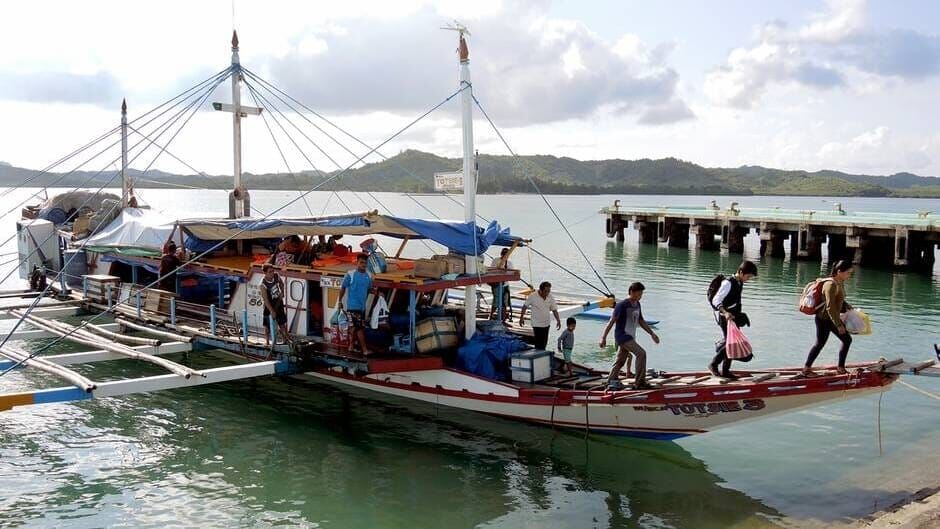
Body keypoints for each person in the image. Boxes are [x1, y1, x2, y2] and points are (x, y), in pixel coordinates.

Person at [599, 282, 660, 390]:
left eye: (641, 294)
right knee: (641, 353)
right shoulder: (622, 305)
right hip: (622, 336)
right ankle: (640, 382)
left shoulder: (637, 304)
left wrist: (652, 334)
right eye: (638, 294)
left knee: (621, 361)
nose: (640, 296)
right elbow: (611, 321)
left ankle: (610, 380)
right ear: (631, 292)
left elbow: (641, 321)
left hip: (630, 336)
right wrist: (603, 337)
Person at [803, 260, 854, 376]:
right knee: (824, 343)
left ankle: (839, 368)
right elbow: (830, 306)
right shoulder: (830, 285)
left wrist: (846, 305)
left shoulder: (839, 282)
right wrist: (839, 325)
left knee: (844, 340)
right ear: (839, 271)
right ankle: (807, 369)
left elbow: (838, 299)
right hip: (824, 319)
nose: (849, 275)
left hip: (831, 318)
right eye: (848, 273)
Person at [708, 260, 758, 379]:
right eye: (748, 276)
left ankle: (725, 371)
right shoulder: (728, 283)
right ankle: (713, 364)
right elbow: (716, 300)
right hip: (725, 317)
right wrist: (725, 313)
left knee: (731, 343)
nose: (748, 279)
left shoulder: (739, 282)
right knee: (731, 343)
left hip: (733, 317)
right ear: (741, 272)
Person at [338, 253, 374, 355]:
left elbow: (370, 289)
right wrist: (340, 301)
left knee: (354, 327)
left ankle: (351, 346)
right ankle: (365, 350)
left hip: (362, 306)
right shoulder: (350, 274)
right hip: (353, 306)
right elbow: (343, 287)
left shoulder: (369, 275)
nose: (363, 265)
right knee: (359, 328)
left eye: (365, 263)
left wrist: (378, 293)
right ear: (357, 263)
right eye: (361, 262)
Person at [519, 281, 560, 350]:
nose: (547, 293)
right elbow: (525, 306)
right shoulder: (533, 296)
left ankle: (542, 355)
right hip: (536, 324)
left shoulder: (550, 296)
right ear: (540, 290)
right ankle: (538, 356)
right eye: (546, 291)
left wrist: (558, 320)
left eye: (549, 291)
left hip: (546, 323)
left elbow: (554, 309)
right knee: (538, 343)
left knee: (544, 343)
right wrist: (521, 318)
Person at [260, 263, 291, 348]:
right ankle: (267, 342)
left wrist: (282, 292)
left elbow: (281, 283)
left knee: (282, 322)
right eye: (270, 272)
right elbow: (265, 300)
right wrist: (272, 310)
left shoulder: (276, 276)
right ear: (265, 273)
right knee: (267, 325)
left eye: (273, 271)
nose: (272, 273)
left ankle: (285, 340)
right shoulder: (263, 284)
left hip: (278, 302)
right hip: (269, 304)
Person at [489, 248, 513, 321]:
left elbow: (511, 273)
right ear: (501, 254)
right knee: (496, 301)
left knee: (505, 302)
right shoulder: (496, 260)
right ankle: (491, 316)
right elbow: (492, 271)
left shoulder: (509, 263)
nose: (505, 256)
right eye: (504, 254)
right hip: (496, 284)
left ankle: (502, 319)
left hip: (505, 284)